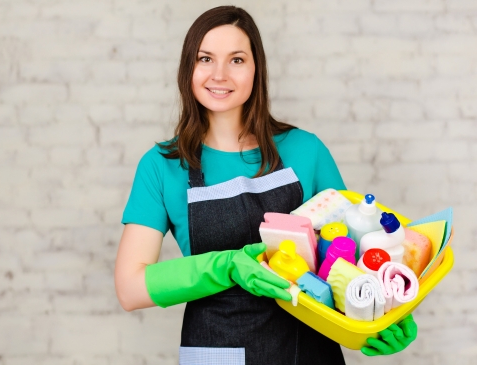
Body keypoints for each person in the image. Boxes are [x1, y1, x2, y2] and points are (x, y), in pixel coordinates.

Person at [114, 6, 417, 364]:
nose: (220, 74)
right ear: (188, 69)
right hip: (217, 351)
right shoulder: (163, 166)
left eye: (237, 60)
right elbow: (130, 287)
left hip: (307, 351)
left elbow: (348, 258)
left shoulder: (305, 150)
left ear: (256, 69)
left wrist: (381, 313)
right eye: (205, 58)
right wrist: (228, 266)